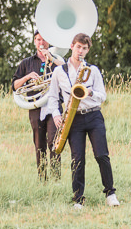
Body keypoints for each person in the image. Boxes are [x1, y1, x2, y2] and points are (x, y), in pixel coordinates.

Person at [42, 33, 119, 208]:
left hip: (93, 115)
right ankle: (78, 199)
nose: (81, 51)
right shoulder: (59, 72)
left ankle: (110, 194)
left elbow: (102, 96)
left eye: (84, 48)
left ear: (88, 50)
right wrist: (56, 115)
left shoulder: (93, 70)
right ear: (72, 46)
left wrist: (89, 92)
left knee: (102, 155)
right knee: (77, 158)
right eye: (78, 47)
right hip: (73, 118)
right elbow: (53, 98)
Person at [12, 31, 62, 181]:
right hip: (35, 107)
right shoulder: (26, 63)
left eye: (45, 39)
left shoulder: (57, 60)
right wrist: (27, 77)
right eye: (38, 39)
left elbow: (66, 71)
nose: (42, 42)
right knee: (39, 144)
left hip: (54, 107)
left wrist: (51, 58)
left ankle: (56, 179)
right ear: (34, 41)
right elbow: (14, 86)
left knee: (54, 142)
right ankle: (42, 179)